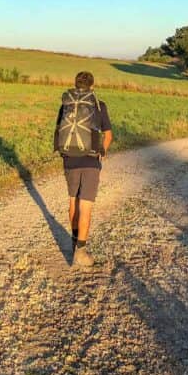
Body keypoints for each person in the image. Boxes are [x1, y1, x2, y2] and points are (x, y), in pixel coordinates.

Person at [54, 70, 113, 267]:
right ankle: (81, 252)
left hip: (69, 158)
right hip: (90, 160)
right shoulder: (98, 104)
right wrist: (102, 151)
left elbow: (59, 130)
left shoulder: (67, 103)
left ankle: (73, 243)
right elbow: (108, 135)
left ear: (76, 85)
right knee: (85, 206)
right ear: (92, 86)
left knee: (73, 201)